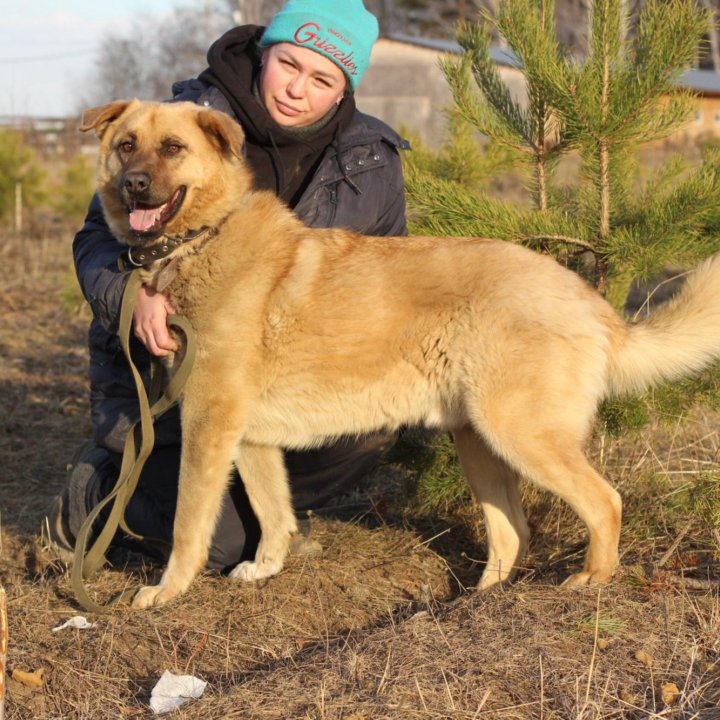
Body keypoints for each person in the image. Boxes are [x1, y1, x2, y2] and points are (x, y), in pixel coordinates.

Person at [48, 0, 409, 570]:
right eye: (289, 64)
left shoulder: (373, 158)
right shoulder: (186, 115)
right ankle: (98, 492)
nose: (297, 88)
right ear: (266, 54)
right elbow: (93, 243)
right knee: (221, 545)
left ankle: (274, 513)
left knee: (367, 430)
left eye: (322, 78)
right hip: (174, 375)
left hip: (291, 369)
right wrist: (131, 296)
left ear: (343, 90)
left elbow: (389, 267)